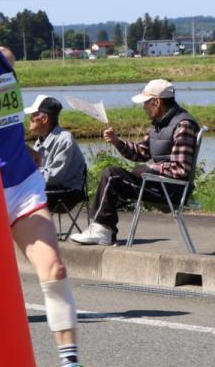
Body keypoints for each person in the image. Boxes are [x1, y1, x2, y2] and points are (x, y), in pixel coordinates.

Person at [0, 0, 106, 367]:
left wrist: (19, 146)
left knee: (55, 269)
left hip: (23, 183)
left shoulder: (6, 59)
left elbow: (6, 119)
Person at [69, 79, 199, 246]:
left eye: (145, 103)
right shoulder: (158, 125)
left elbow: (181, 169)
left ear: (157, 102)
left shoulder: (184, 125)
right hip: (158, 184)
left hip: (172, 190)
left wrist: (151, 168)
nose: (143, 107)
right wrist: (117, 142)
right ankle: (102, 229)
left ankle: (102, 230)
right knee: (112, 175)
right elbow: (141, 153)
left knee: (112, 176)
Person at [25, 95, 86, 192]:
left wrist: (25, 175)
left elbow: (53, 177)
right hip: (49, 188)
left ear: (44, 119)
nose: (30, 118)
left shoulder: (65, 139)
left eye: (33, 114)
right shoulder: (41, 139)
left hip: (65, 191)